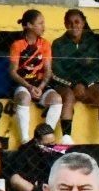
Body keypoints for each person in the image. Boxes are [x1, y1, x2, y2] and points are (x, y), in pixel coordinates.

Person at [50, 9, 99, 145]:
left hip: (88, 85)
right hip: (67, 85)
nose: (74, 25)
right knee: (68, 96)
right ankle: (66, 138)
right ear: (65, 24)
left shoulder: (93, 42)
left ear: (83, 23)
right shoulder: (58, 44)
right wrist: (74, 84)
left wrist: (84, 83)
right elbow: (56, 70)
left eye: (77, 22)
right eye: (70, 22)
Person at [9, 9, 62, 146]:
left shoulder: (45, 44)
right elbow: (13, 72)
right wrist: (29, 86)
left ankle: (46, 138)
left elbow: (48, 70)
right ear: (29, 25)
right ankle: (25, 140)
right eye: (40, 23)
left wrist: (40, 87)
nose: (44, 27)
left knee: (57, 99)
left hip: (40, 85)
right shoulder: (17, 45)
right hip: (23, 84)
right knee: (24, 98)